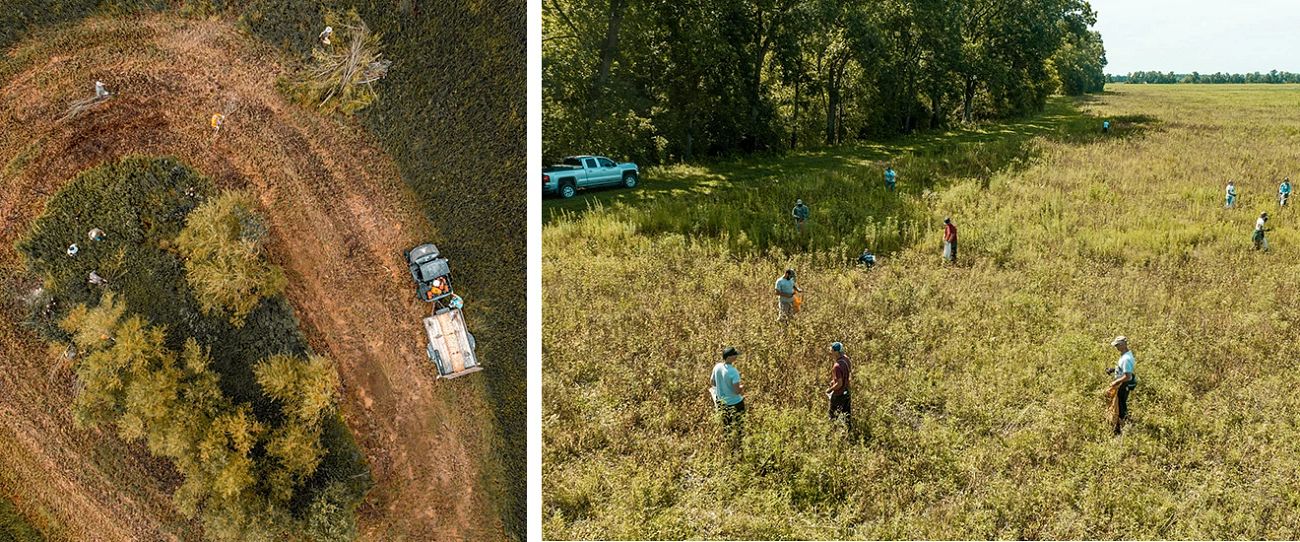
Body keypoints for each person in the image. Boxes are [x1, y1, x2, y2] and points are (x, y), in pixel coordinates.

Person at [710, 346, 746, 447]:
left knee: (727, 427)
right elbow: (737, 391)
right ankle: (739, 446)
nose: (736, 357)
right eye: (735, 355)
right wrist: (742, 387)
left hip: (721, 402)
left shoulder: (717, 367)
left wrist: (723, 387)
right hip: (735, 403)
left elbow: (712, 382)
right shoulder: (733, 371)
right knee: (740, 426)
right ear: (729, 357)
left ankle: (728, 446)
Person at [1106, 336, 1137, 435]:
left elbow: (1127, 376)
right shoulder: (1126, 355)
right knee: (1120, 404)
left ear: (1123, 345)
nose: (1116, 347)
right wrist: (1113, 370)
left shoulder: (1126, 359)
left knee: (1120, 406)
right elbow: (1124, 370)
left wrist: (1115, 382)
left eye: (1117, 345)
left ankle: (1124, 429)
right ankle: (1121, 426)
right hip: (1123, 384)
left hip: (1123, 385)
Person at [825, 342, 852, 431]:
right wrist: (834, 380)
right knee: (846, 417)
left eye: (832, 351)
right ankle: (848, 434)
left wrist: (829, 390)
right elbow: (848, 375)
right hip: (847, 393)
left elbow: (839, 384)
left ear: (836, 352)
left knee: (833, 417)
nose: (830, 352)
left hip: (839, 395)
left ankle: (833, 436)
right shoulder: (846, 359)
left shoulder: (837, 366)